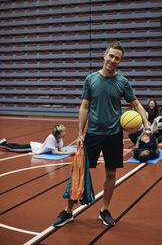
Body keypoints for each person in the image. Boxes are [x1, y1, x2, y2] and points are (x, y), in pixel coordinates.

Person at [52, 41, 151, 228]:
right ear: (105, 55)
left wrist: (146, 123)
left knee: (111, 172)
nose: (113, 60)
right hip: (93, 134)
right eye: (111, 56)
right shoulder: (90, 80)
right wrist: (80, 133)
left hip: (114, 134)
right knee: (80, 171)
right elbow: (84, 107)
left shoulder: (123, 82)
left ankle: (104, 210)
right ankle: (68, 211)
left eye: (117, 58)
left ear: (120, 62)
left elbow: (136, 105)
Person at [0, 124, 75, 155]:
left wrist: (69, 151)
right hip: (33, 148)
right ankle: (2, 145)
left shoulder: (59, 138)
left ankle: (4, 143)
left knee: (18, 146)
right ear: (58, 133)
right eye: (63, 131)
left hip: (37, 145)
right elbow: (54, 152)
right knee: (15, 149)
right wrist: (68, 153)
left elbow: (59, 149)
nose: (65, 133)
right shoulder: (51, 137)